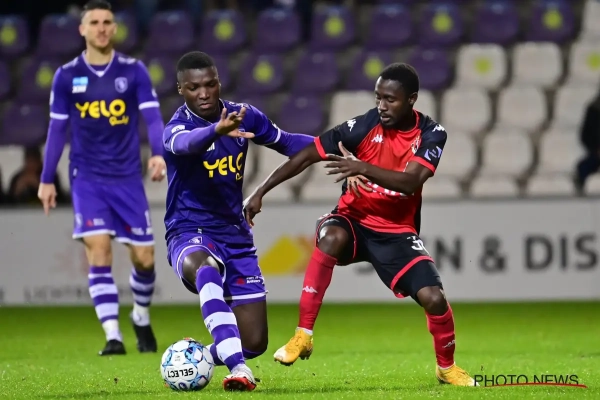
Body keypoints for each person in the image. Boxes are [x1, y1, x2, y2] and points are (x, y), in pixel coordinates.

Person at [244, 63, 477, 387]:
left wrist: (362, 167)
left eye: (390, 99)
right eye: (378, 97)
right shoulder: (363, 126)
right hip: (353, 220)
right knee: (330, 237)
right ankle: (303, 335)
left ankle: (446, 368)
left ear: (411, 99)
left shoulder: (431, 134)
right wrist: (260, 191)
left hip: (396, 232)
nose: (382, 105)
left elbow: (411, 181)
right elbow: (308, 154)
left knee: (434, 298)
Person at [162, 51, 315, 391]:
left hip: (234, 234)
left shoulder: (244, 116)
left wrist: (333, 145)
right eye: (194, 88)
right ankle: (239, 370)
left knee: (255, 341)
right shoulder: (176, 128)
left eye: (210, 84)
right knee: (206, 269)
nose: (204, 93)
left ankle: (195, 357)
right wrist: (217, 130)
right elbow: (186, 145)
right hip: (188, 230)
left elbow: (288, 143)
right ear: (181, 89)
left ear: (219, 82)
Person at [38, 0, 167, 356]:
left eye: (107, 21)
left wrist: (158, 153)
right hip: (87, 177)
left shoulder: (134, 70)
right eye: (94, 22)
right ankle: (113, 336)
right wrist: (47, 178)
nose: (101, 28)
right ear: (82, 29)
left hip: (127, 177)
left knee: (145, 258)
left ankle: (140, 315)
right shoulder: (67, 76)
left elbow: (153, 118)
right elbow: (57, 130)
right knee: (99, 250)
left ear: (115, 28)